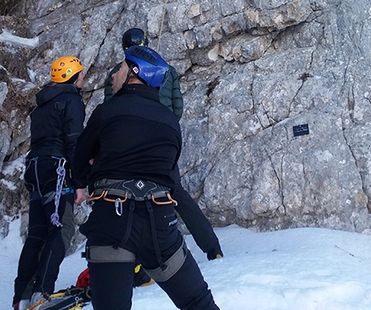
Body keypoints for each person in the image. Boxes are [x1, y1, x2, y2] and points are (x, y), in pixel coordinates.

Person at [73, 45, 221, 310]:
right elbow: (167, 171)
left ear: (134, 72)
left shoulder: (107, 111)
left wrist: (98, 167)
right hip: (160, 223)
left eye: (119, 68)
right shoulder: (170, 122)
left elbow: (79, 163)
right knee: (198, 302)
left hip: (111, 219)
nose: (113, 75)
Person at [104, 28, 223, 273]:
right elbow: (177, 109)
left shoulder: (117, 73)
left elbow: (110, 110)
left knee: (132, 198)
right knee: (175, 192)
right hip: (163, 143)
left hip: (130, 144)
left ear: (124, 47)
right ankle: (212, 247)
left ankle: (137, 265)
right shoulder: (168, 70)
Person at [12, 57, 86, 310]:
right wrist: (79, 182)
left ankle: (20, 296)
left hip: (35, 168)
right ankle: (41, 291)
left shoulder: (42, 104)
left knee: (36, 234)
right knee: (62, 230)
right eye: (80, 74)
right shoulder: (71, 100)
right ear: (72, 77)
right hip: (57, 169)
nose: (83, 78)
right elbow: (74, 140)